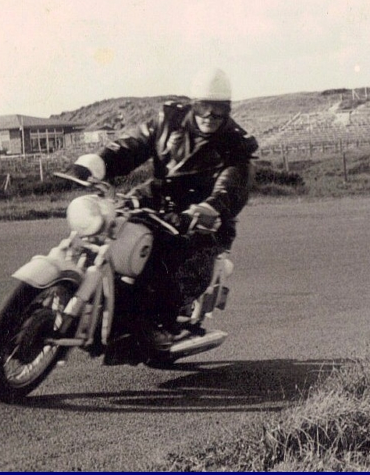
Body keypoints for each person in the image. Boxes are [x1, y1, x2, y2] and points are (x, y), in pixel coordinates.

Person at [66, 67, 258, 350]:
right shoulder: (168, 119)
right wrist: (100, 162)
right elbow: (134, 145)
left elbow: (232, 186)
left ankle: (158, 325)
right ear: (194, 104)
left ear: (228, 109)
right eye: (203, 106)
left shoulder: (237, 144)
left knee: (174, 256)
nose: (209, 115)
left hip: (202, 220)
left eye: (218, 109)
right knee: (105, 231)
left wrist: (210, 208)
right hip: (154, 200)